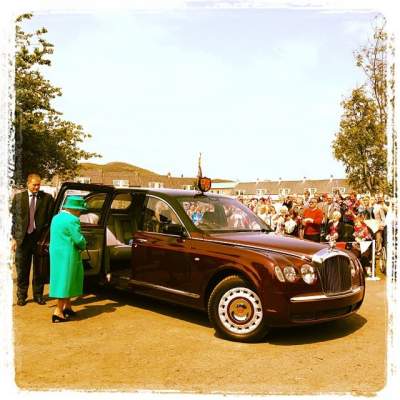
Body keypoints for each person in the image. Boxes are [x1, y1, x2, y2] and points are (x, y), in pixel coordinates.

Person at [11, 173, 54, 306]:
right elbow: (13, 220)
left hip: (39, 240)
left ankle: (38, 295)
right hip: (23, 240)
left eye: (38, 185)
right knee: (22, 269)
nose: (37, 187)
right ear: (28, 184)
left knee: (39, 269)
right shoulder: (18, 198)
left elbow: (51, 219)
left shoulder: (47, 198)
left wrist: (47, 239)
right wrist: (13, 238)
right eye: (34, 184)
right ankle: (22, 296)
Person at [49, 196, 87, 322]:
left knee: (62, 278)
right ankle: (58, 312)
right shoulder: (72, 220)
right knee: (65, 281)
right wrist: (84, 243)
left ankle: (67, 307)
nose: (80, 212)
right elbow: (78, 239)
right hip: (68, 253)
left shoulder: (56, 217)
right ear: (75, 209)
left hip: (56, 252)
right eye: (80, 210)